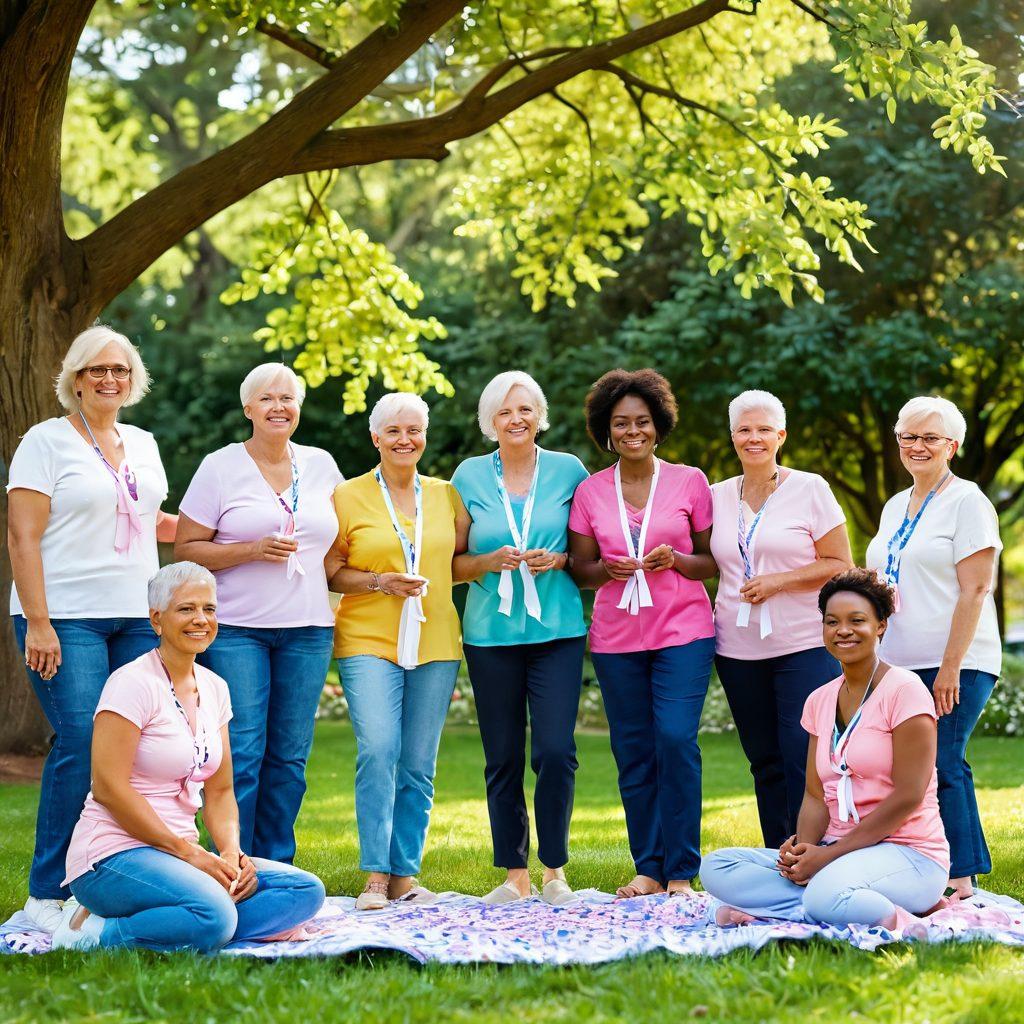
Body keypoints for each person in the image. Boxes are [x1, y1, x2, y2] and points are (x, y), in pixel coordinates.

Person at [50, 562, 325, 952]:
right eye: (187, 609)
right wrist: (191, 855)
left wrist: (230, 851)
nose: (201, 619)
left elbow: (222, 790)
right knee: (215, 913)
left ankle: (188, 923)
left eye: (209, 609)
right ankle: (92, 935)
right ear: (157, 619)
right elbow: (108, 789)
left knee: (304, 890)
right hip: (112, 856)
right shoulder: (130, 683)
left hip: (182, 856)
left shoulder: (215, 688)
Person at [7, 324, 177, 932]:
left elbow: (150, 520)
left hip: (137, 615)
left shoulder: (143, 442)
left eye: (120, 371)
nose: (109, 380)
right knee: (82, 741)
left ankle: (112, 876)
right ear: (74, 380)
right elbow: (22, 535)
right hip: (66, 618)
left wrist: (229, 533)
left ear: (134, 381)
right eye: (96, 371)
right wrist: (40, 623)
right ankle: (45, 895)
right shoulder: (45, 441)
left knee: (135, 752)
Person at [701, 569, 949, 930]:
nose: (842, 630)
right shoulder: (820, 699)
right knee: (717, 867)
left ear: (881, 625)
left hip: (909, 854)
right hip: (837, 851)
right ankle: (840, 903)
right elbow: (815, 795)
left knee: (824, 894)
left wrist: (828, 857)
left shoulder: (906, 691)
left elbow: (909, 796)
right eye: (832, 621)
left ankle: (904, 919)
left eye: (857, 620)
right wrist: (804, 850)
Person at [174, 363, 343, 863]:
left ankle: (275, 866)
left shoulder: (321, 464)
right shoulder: (220, 466)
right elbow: (186, 548)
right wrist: (250, 549)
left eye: (288, 398)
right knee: (240, 752)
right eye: (267, 399)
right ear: (248, 408)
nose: (278, 407)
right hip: (238, 630)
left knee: (290, 757)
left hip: (308, 629)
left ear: (299, 408)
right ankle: (230, 862)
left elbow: (339, 542)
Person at [568, 369, 717, 898]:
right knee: (633, 750)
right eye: (621, 423)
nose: (633, 431)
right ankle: (649, 868)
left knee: (675, 740)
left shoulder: (690, 481)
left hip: (684, 631)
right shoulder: (589, 491)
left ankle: (682, 870)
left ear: (659, 425)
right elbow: (579, 568)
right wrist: (604, 571)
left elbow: (709, 563)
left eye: (643, 422)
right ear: (606, 431)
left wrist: (676, 559)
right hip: (616, 639)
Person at [451, 371, 589, 906]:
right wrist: (487, 561)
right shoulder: (467, 476)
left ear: (540, 416)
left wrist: (559, 560)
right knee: (502, 753)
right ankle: (514, 873)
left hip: (558, 630)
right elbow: (454, 565)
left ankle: (554, 870)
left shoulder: (569, 471)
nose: (517, 419)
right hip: (490, 634)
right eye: (506, 411)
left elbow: (588, 552)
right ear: (491, 420)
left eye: (526, 409)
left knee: (555, 751)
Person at [329, 393, 463, 910]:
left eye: (414, 430)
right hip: (368, 638)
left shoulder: (446, 495)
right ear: (375, 439)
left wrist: (498, 560)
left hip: (435, 639)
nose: (405, 439)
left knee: (417, 763)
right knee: (379, 749)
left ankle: (405, 875)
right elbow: (332, 570)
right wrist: (382, 581)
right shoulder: (348, 495)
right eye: (394, 431)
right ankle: (375, 877)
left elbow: (461, 560)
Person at [865, 396, 1001, 899]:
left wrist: (951, 668)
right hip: (898, 661)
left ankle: (962, 875)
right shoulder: (895, 504)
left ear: (953, 446)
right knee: (905, 771)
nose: (917, 446)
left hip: (956, 662)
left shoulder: (968, 501)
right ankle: (920, 862)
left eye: (930, 438)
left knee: (944, 760)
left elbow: (975, 589)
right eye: (908, 436)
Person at [711, 389, 852, 847]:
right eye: (745, 430)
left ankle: (814, 853)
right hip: (736, 648)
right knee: (764, 760)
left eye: (764, 430)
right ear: (733, 437)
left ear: (781, 435)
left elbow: (840, 564)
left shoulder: (810, 488)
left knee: (803, 756)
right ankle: (778, 855)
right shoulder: (714, 496)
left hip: (802, 645)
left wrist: (779, 581)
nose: (754, 438)